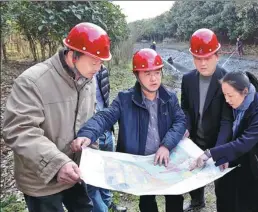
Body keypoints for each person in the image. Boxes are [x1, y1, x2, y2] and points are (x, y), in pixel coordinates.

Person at [2, 22, 113, 212]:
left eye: (101, 62)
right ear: (73, 54)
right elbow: (19, 130)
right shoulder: (33, 81)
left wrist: (89, 143)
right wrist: (58, 163)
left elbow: (89, 117)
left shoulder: (88, 79)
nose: (98, 67)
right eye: (94, 60)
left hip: (75, 173)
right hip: (41, 179)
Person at [71, 48, 187, 212]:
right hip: (142, 162)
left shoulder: (170, 97)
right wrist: (88, 134)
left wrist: (166, 145)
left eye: (157, 73)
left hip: (167, 158)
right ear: (137, 75)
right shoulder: (125, 99)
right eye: (147, 74)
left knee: (174, 197)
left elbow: (180, 121)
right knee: (146, 201)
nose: (154, 79)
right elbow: (105, 116)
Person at [192, 71, 258, 212]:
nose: (227, 100)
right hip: (251, 160)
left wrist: (210, 153)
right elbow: (226, 125)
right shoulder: (232, 104)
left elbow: (244, 142)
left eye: (230, 95)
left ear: (245, 91)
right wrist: (223, 155)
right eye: (224, 95)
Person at [181, 28, 233, 211]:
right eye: (197, 58)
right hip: (195, 138)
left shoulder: (226, 80)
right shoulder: (187, 80)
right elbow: (185, 109)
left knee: (221, 182)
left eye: (207, 58)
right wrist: (186, 127)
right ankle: (197, 201)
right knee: (194, 174)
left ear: (217, 56)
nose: (202, 63)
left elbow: (227, 120)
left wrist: (218, 151)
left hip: (218, 138)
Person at [87, 67, 127, 212]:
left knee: (107, 170)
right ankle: (100, 208)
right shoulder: (73, 74)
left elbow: (105, 99)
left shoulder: (102, 70)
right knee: (91, 178)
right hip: (87, 134)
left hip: (105, 130)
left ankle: (108, 203)